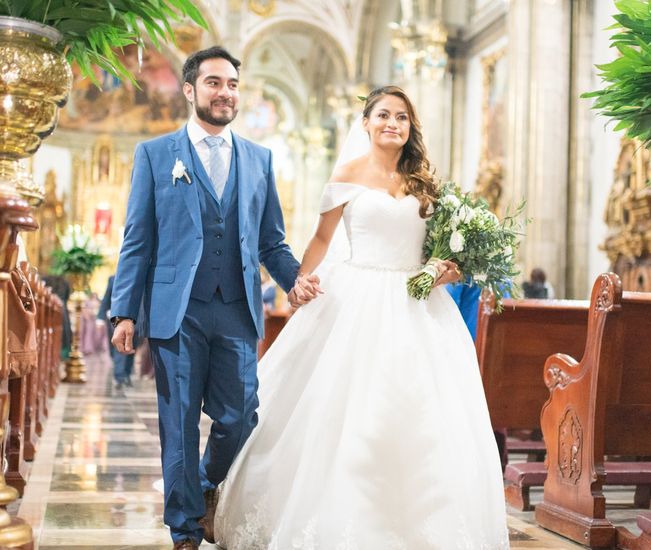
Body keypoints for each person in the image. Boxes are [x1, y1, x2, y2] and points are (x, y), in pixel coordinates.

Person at [214, 86, 510, 549]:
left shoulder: (424, 183)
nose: (393, 123)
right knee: (346, 410)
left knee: (425, 417)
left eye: (403, 118)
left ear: (411, 128)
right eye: (384, 115)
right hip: (356, 298)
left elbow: (436, 251)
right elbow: (319, 241)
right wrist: (298, 282)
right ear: (367, 123)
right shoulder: (347, 174)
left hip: (419, 305)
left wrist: (443, 272)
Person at [108, 46, 318, 550]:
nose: (225, 92)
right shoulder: (156, 156)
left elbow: (272, 241)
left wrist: (295, 279)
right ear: (190, 90)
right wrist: (123, 312)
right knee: (178, 424)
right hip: (176, 312)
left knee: (239, 416)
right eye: (214, 83)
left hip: (238, 309)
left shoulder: (260, 160)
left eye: (232, 84)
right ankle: (184, 530)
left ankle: (202, 488)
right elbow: (138, 239)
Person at [98, 275, 135, 389]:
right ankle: (119, 377)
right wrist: (100, 317)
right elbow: (106, 298)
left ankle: (127, 374)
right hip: (117, 317)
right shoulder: (113, 279)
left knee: (132, 348)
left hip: (137, 318)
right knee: (119, 346)